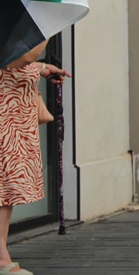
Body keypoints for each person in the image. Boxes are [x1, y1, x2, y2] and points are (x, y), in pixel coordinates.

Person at [1, 41, 68, 275]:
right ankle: (1, 260)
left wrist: (40, 68)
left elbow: (13, 58)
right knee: (4, 185)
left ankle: (1, 257)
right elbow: (14, 57)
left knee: (6, 189)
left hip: (12, 111)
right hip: (6, 112)